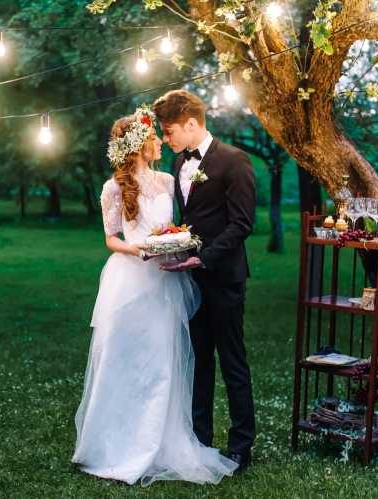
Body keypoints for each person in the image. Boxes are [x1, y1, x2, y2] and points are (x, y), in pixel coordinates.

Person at [71, 106, 237, 486]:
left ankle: (159, 442)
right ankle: (114, 443)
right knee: (123, 359)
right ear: (139, 145)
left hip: (165, 282)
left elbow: (173, 227)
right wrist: (140, 250)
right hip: (129, 281)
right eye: (153, 137)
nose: (161, 141)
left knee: (162, 361)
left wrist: (176, 245)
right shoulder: (113, 188)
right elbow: (111, 238)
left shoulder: (166, 180)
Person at [153, 89, 256, 472]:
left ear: (192, 123)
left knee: (232, 361)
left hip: (225, 277)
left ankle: (242, 445)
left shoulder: (234, 161)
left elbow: (242, 223)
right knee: (198, 362)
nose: (166, 140)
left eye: (169, 131)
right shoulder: (180, 162)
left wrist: (205, 256)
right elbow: (191, 219)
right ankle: (199, 439)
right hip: (190, 281)